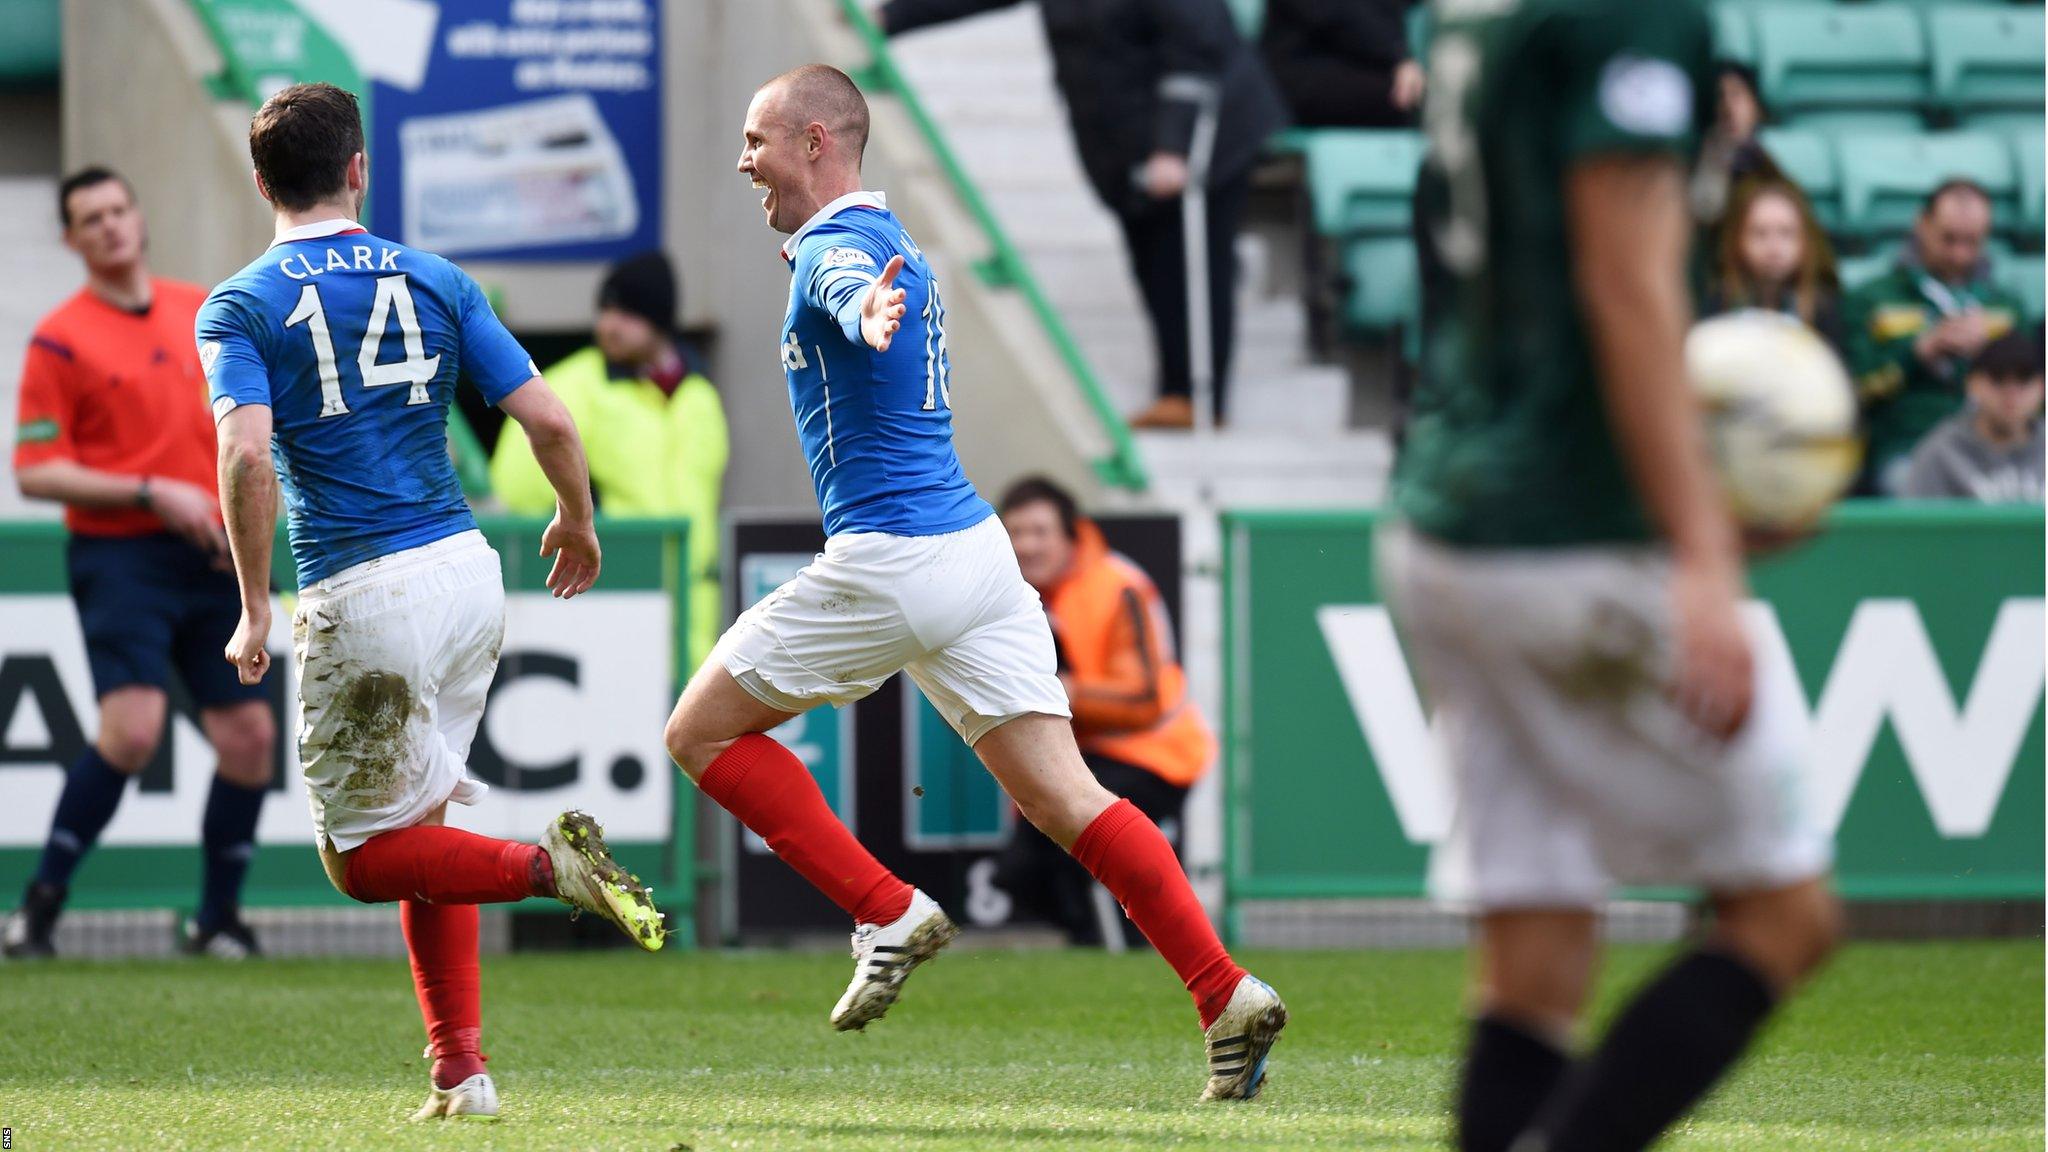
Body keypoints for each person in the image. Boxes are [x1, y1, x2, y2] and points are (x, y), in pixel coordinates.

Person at [664, 64, 1285, 1100]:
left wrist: (854, 302)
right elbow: (852, 283)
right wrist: (859, 298)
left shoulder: (838, 246)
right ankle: (1222, 991)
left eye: (757, 139)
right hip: (977, 556)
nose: (744, 160)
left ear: (817, 142)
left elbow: (838, 280)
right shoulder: (891, 237)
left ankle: (882, 908)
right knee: (1069, 798)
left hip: (893, 557)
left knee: (700, 734)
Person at [1385, 3, 1841, 1151]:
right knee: (1784, 913)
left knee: (1534, 952)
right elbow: (1626, 282)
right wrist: (1701, 544)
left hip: (1446, 516)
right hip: (1573, 532)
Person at [199, 82, 665, 1121]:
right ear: (360, 169)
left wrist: (252, 603)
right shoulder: (437, 276)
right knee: (419, 822)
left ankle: (552, 870)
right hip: (465, 575)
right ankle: (461, 1072)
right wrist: (576, 520)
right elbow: (545, 417)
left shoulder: (238, 303)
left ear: (261, 178)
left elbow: (242, 452)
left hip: (363, 587)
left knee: (362, 859)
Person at [3, 168, 278, 961]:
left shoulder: (204, 309)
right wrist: (152, 490)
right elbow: (34, 469)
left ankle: (216, 920)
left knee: (251, 737)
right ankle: (38, 911)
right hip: (120, 554)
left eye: (119, 209)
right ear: (71, 240)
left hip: (213, 553)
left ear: (139, 215)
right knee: (131, 732)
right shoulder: (61, 337)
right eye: (90, 218)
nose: (110, 226)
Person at [881, 0, 1288, 430]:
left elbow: (1197, 45)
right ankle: (1176, 392)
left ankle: (1195, 396)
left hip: (1207, 135)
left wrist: (1174, 144)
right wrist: (895, 16)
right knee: (1150, 262)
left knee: (1189, 261)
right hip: (1125, 140)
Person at [993, 476, 1214, 945]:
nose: (1027, 545)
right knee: (1020, 871)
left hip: (1155, 755)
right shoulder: (1010, 598)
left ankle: (1127, 948)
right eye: (1016, 533)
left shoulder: (1116, 585)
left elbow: (1142, 698)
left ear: (1071, 534)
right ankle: (1099, 949)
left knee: (1068, 843)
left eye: (1039, 531)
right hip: (1083, 757)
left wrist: (1062, 692)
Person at [489, 250, 729, 667]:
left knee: (692, 730)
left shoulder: (700, 397)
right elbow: (515, 493)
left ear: (658, 320)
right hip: (618, 600)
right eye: (605, 310)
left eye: (626, 313)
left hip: (699, 613)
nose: (608, 324)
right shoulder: (574, 385)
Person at [1844, 180, 2023, 495]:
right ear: (1921, 225)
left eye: (1972, 242)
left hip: (1994, 448)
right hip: (1905, 445)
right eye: (1948, 239)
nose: (1959, 254)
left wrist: (1992, 359)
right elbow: (1853, 390)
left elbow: (2034, 394)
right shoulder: (1871, 300)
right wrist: (1919, 352)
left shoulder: (2006, 307)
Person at [1702, 176, 1847, 355]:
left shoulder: (1824, 309)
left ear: (1806, 240)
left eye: (1786, 233)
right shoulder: (1717, 303)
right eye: (1759, 233)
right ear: (1737, 240)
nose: (1774, 247)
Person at [1898, 333, 2044, 502]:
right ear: (1972, 384)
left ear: (2042, 386)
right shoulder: (1941, 451)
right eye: (1998, 379)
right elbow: (1920, 523)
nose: (2011, 394)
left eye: (2024, 380)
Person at [1259, 0, 1424, 129]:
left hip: (1354, 64)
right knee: (1405, 98)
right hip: (1298, 72)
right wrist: (1397, 58)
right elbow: (1337, 14)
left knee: (1413, 94)